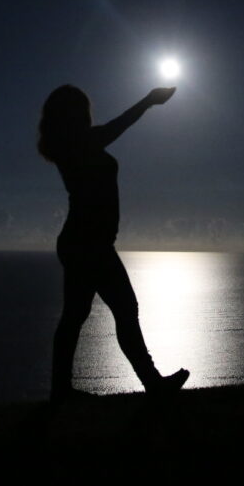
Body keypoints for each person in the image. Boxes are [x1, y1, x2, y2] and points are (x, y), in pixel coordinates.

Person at [38, 84, 189, 403]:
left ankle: (62, 391)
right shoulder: (78, 145)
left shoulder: (76, 144)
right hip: (88, 244)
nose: (86, 113)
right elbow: (115, 127)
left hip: (86, 242)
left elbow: (109, 130)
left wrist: (148, 102)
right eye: (80, 108)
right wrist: (148, 101)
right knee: (120, 309)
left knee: (77, 316)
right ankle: (152, 384)